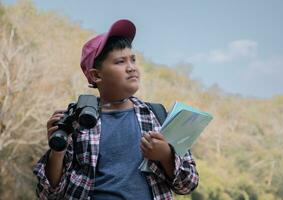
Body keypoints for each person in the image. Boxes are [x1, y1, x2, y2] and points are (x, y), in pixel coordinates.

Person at [33, 19, 199, 200]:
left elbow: (187, 184)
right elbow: (48, 194)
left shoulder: (159, 117)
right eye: (120, 61)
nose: (131, 67)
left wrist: (167, 156)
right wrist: (57, 151)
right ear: (96, 75)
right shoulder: (77, 120)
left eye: (133, 60)